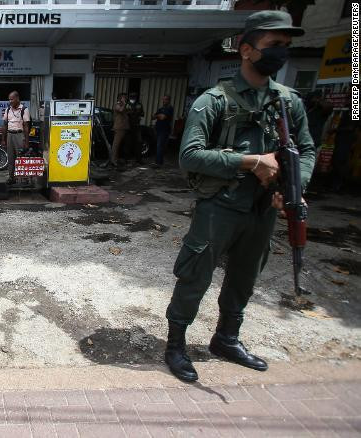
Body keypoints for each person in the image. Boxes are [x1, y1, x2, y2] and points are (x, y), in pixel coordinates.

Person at [164, 10, 315, 383]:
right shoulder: (214, 100)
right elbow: (189, 156)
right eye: (273, 45)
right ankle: (176, 345)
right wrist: (250, 162)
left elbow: (306, 151)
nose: (281, 53)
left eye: (286, 46)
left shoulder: (289, 101)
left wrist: (293, 188)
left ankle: (226, 339)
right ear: (246, 50)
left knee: (245, 278)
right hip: (220, 207)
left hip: (262, 210)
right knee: (194, 276)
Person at [1, 91, 30, 184]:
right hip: (10, 135)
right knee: (10, 157)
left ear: (17, 98)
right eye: (9, 99)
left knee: (21, 157)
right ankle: (11, 178)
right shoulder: (8, 110)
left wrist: (26, 141)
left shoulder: (24, 109)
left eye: (12, 99)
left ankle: (23, 178)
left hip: (19, 135)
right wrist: (3, 139)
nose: (10, 101)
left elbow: (26, 126)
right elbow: (5, 125)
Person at [152, 95, 174, 167]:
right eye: (163, 99)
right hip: (158, 129)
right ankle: (159, 162)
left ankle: (158, 163)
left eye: (166, 99)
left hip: (164, 130)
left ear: (169, 100)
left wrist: (158, 115)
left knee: (160, 146)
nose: (164, 101)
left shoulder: (170, 108)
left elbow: (162, 117)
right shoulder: (161, 109)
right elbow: (152, 117)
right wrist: (159, 115)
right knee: (159, 146)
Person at [109, 92, 129, 169]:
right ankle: (113, 161)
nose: (126, 99)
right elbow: (120, 110)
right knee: (116, 145)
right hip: (119, 127)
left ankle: (116, 160)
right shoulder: (117, 105)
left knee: (119, 145)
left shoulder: (123, 106)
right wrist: (123, 103)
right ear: (120, 98)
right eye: (124, 97)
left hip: (124, 127)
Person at [126, 91, 145, 165]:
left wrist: (137, 113)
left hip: (137, 126)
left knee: (138, 143)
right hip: (128, 126)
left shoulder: (139, 104)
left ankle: (139, 159)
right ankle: (126, 159)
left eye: (134, 96)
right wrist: (131, 112)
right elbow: (124, 113)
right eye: (131, 96)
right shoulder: (127, 104)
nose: (133, 98)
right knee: (127, 143)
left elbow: (143, 113)